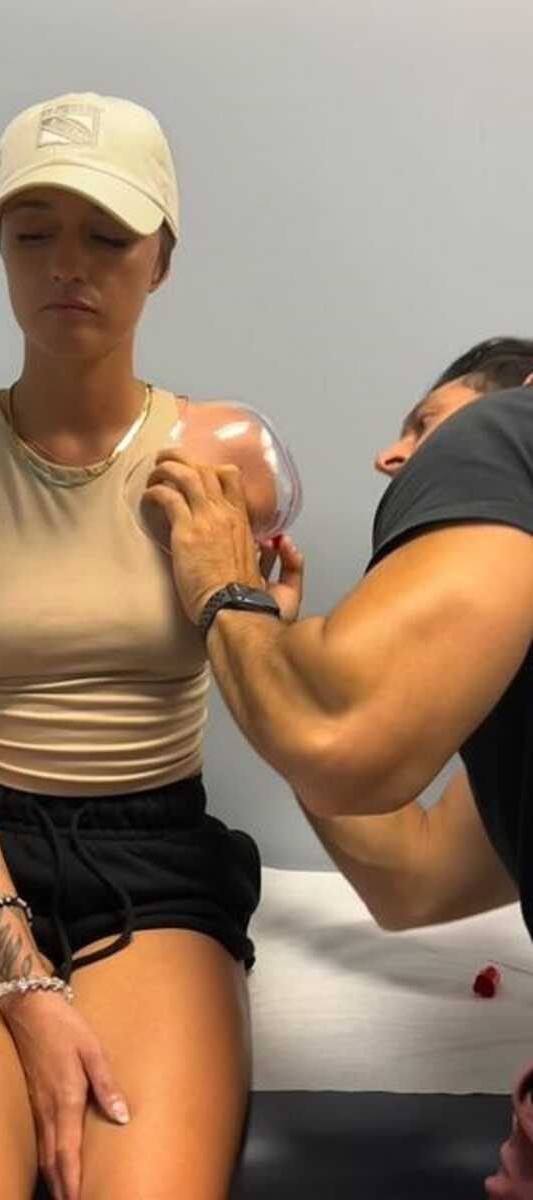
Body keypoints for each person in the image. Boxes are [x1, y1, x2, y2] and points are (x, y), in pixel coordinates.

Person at [0, 92, 265, 1200]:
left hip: (156, 861)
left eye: (107, 236)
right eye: (32, 233)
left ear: (162, 259)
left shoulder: (230, 458)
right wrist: (19, 977)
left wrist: (258, 616)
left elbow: (290, 699)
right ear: (0, 251)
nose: (65, 265)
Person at [142, 335, 533, 1198]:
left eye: (426, 422)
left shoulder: (513, 428)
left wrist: (223, 595)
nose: (390, 455)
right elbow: (418, 877)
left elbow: (340, 737)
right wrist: (266, 653)